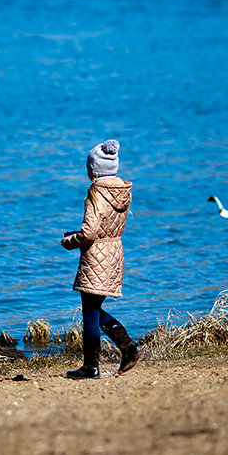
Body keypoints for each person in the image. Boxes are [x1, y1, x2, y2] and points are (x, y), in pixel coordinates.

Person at [60, 139, 140, 379]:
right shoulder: (122, 191)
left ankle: (97, 363)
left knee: (90, 311)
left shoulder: (96, 193)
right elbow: (106, 226)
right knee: (93, 308)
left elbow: (90, 233)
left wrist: (69, 241)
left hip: (96, 256)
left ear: (92, 171)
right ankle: (125, 347)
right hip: (115, 252)